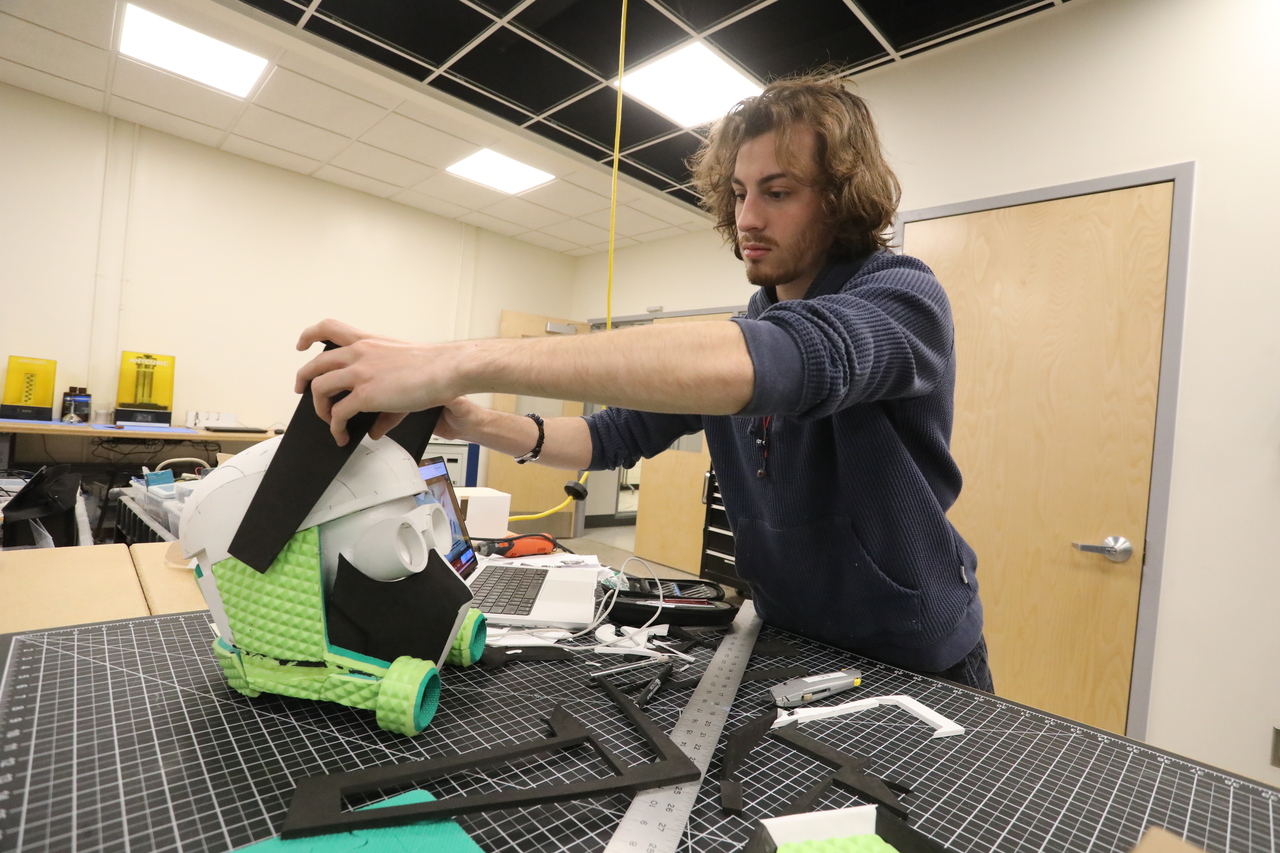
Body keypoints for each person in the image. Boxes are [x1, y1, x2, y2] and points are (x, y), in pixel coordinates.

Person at [295, 75, 992, 692]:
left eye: (779, 192)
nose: (747, 218)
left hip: (914, 659)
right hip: (785, 641)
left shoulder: (901, 298)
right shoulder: (750, 324)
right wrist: (476, 421)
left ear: (840, 199)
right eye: (740, 192)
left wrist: (455, 358)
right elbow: (608, 436)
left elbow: (784, 360)